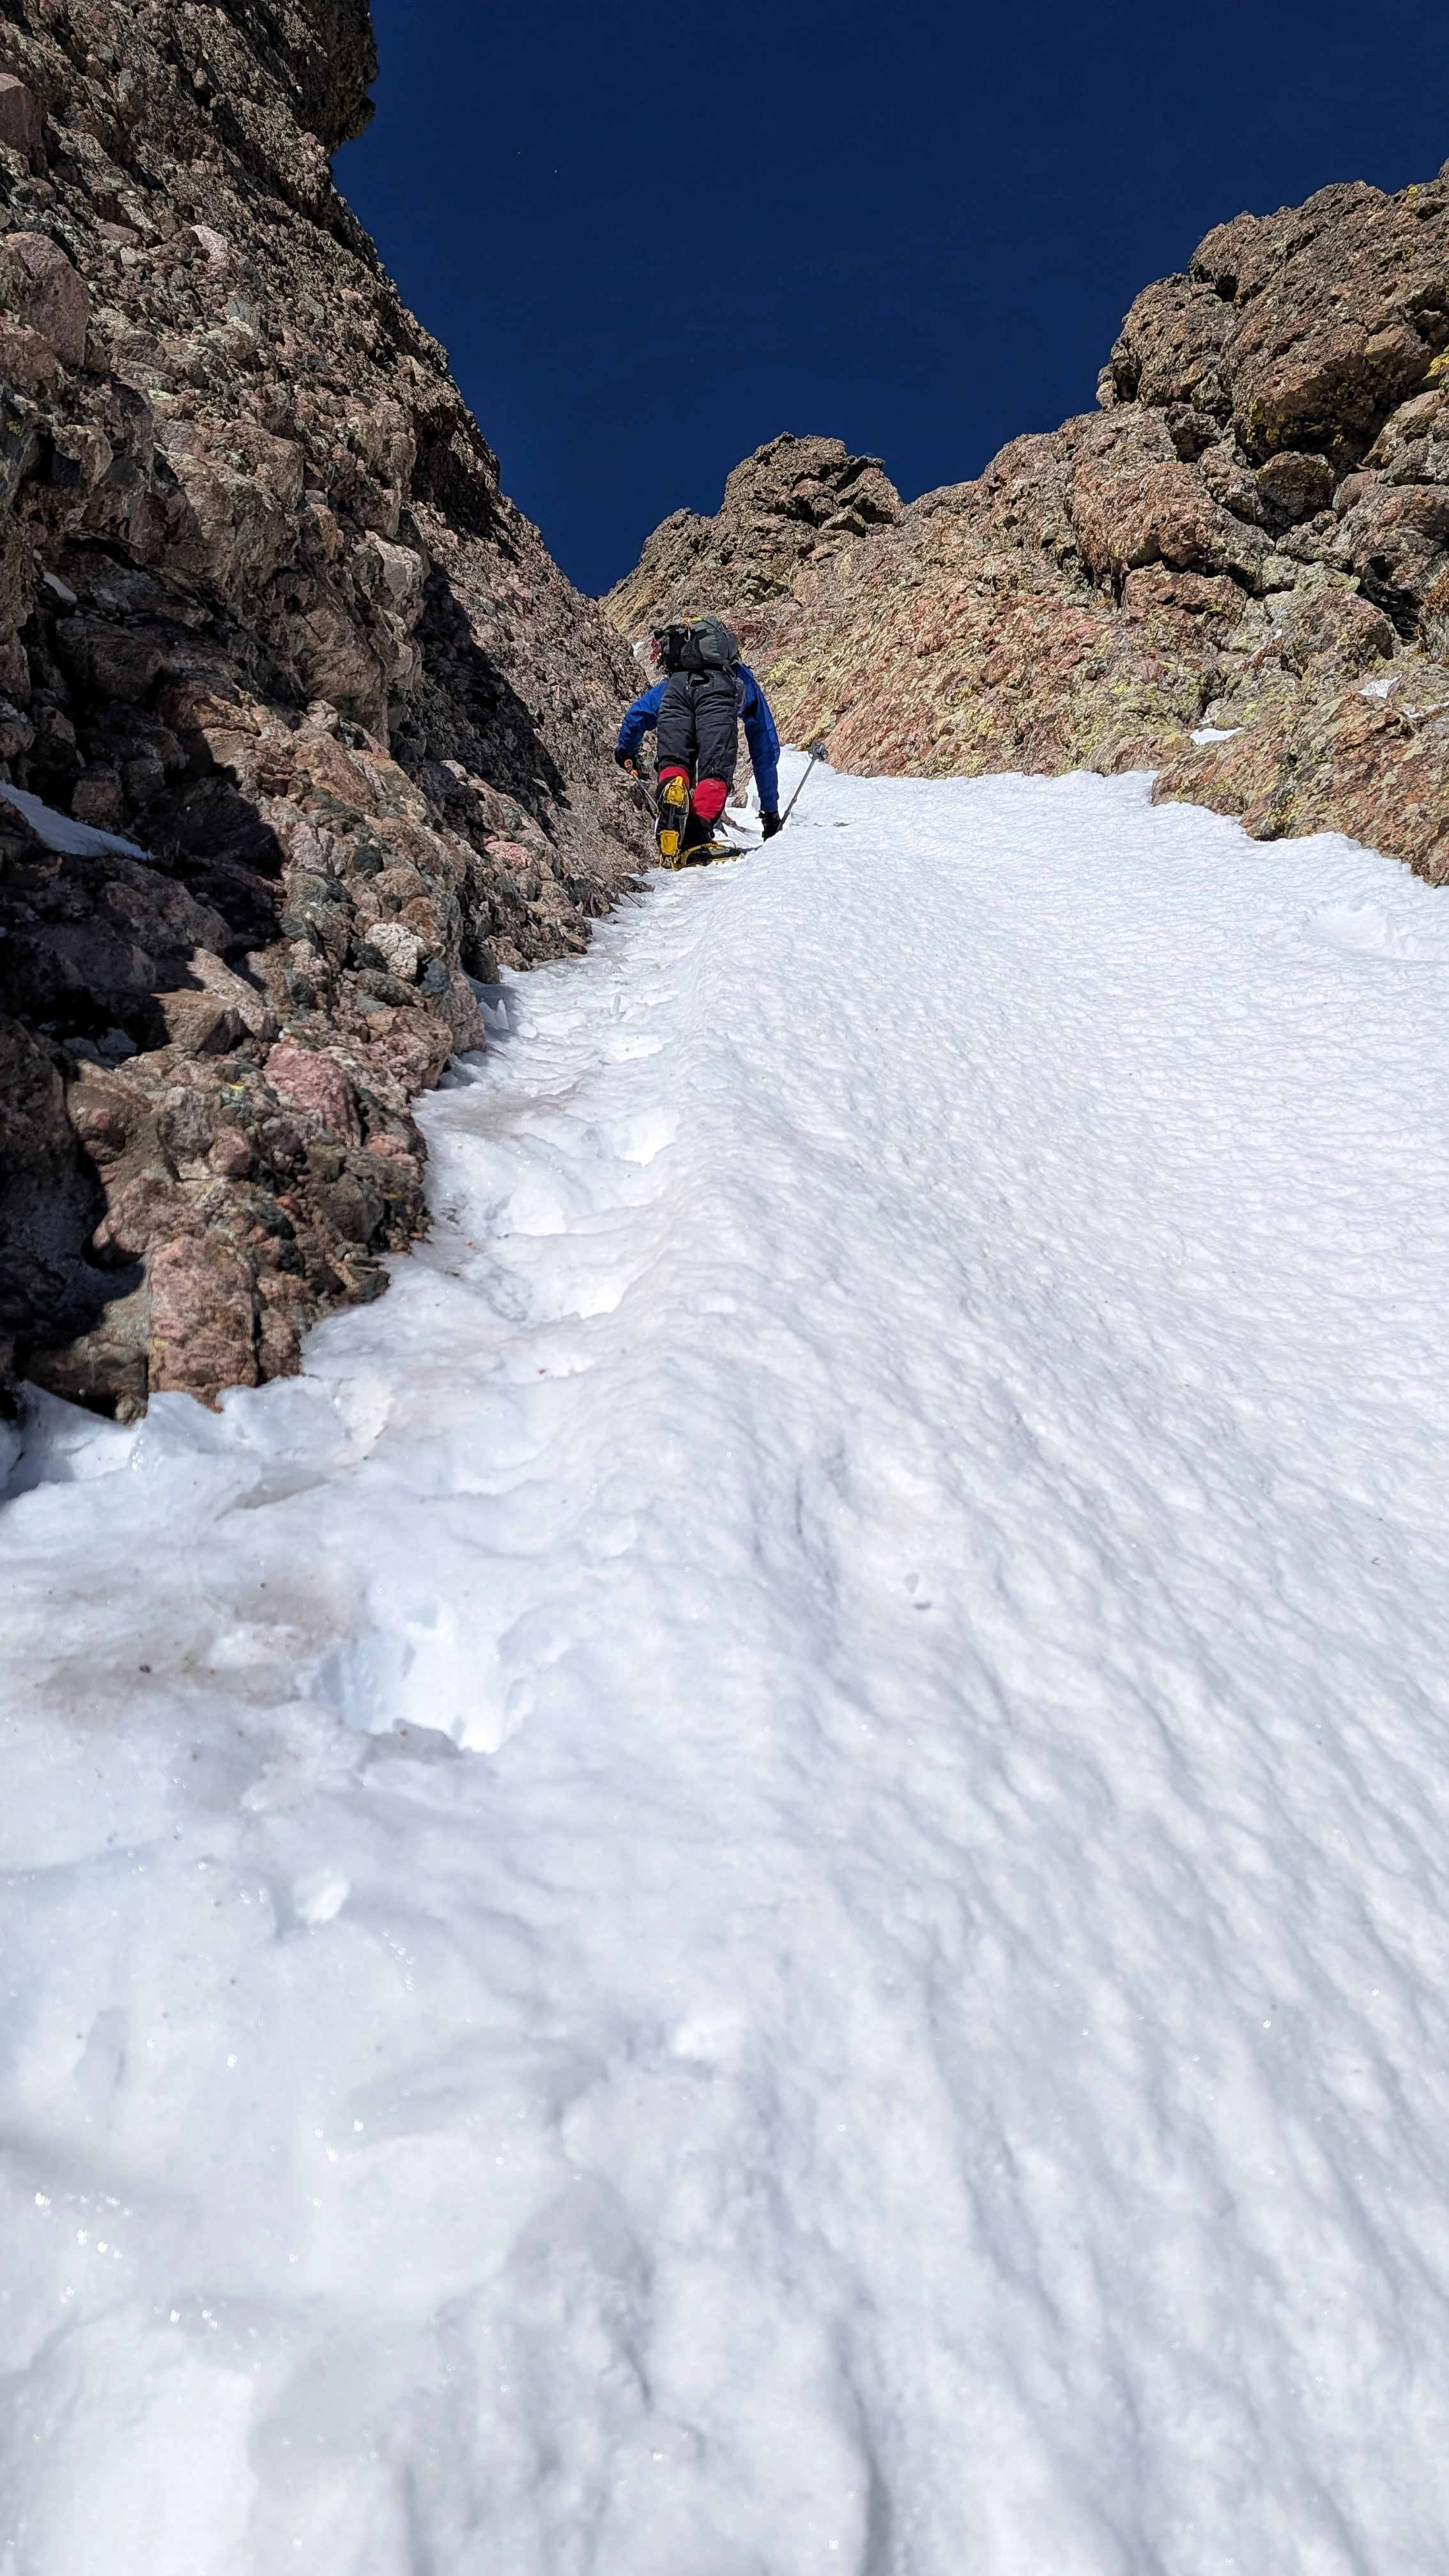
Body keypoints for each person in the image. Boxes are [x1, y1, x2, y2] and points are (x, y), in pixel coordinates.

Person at [615, 618, 783, 864]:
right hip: (718, 701)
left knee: (674, 762)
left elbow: (637, 714)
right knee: (715, 770)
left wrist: (625, 751)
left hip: (676, 699)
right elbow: (764, 743)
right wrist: (770, 812)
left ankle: (674, 787)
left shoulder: (675, 679)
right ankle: (697, 836)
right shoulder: (739, 675)